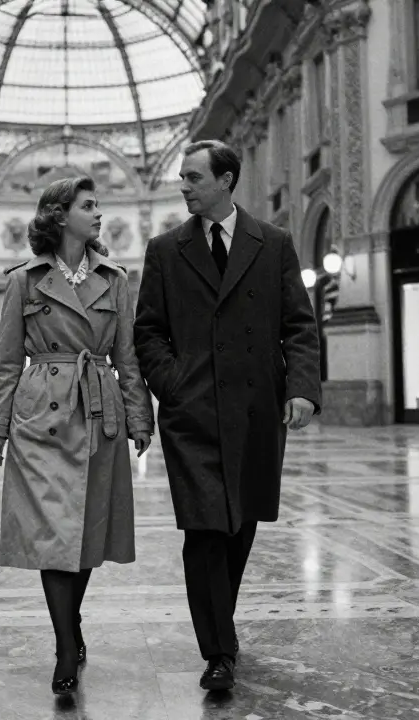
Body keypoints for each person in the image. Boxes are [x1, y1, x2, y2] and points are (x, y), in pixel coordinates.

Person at [134, 140, 321, 692]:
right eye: (182, 178)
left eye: (193, 177)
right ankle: (217, 651)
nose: (184, 186)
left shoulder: (275, 243)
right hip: (192, 416)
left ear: (226, 180)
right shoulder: (165, 250)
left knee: (241, 524)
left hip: (256, 408)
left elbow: (300, 325)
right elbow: (148, 331)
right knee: (204, 529)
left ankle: (222, 625)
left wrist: (303, 388)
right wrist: (175, 385)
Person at [0, 176, 153, 698]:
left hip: (97, 412)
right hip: (41, 417)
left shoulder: (115, 278)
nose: (98, 214)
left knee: (82, 532)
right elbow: (7, 360)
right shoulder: (24, 281)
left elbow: (127, 356)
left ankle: (70, 627)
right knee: (53, 533)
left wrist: (139, 416)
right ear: (59, 215)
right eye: (88, 206)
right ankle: (64, 644)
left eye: (97, 205)